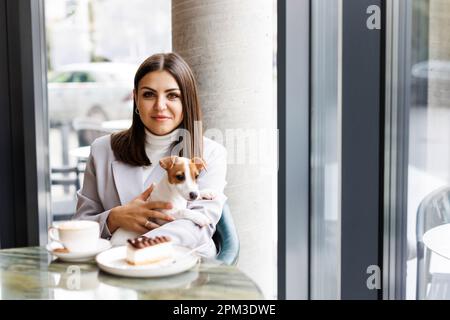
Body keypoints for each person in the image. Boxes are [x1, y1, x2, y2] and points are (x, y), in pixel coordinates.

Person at [74, 52, 227, 257]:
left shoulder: (211, 154)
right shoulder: (103, 150)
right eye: (148, 94)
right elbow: (80, 225)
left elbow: (198, 228)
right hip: (115, 274)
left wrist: (134, 249)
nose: (160, 106)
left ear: (186, 100)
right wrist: (114, 218)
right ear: (135, 98)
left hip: (184, 269)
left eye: (172, 95)